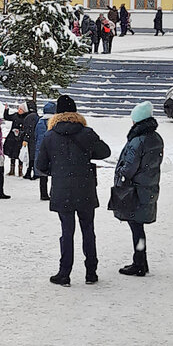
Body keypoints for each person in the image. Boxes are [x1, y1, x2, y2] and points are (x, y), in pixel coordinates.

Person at [35, 94, 112, 286]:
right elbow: (105, 152)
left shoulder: (50, 136)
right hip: (85, 188)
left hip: (62, 190)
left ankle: (64, 272)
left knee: (66, 232)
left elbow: (40, 165)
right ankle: (91, 272)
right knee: (88, 230)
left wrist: (58, 170)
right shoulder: (87, 133)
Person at [109, 101, 165, 276]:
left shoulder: (138, 141)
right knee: (138, 225)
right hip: (148, 188)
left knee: (136, 226)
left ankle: (139, 262)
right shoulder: (155, 138)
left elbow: (129, 166)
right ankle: (141, 261)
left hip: (135, 190)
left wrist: (120, 175)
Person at [4, 100, 33, 176]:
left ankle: (20, 170)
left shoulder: (26, 118)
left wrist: (21, 132)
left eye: (21, 109)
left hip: (20, 139)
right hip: (12, 138)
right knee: (12, 154)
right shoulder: (15, 115)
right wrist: (6, 110)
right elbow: (7, 117)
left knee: (20, 154)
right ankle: (12, 170)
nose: (19, 110)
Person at [33, 102, 53, 199]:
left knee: (43, 174)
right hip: (53, 150)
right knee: (55, 173)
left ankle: (43, 193)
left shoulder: (40, 122)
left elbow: (36, 136)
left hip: (41, 149)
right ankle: (53, 192)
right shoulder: (55, 123)